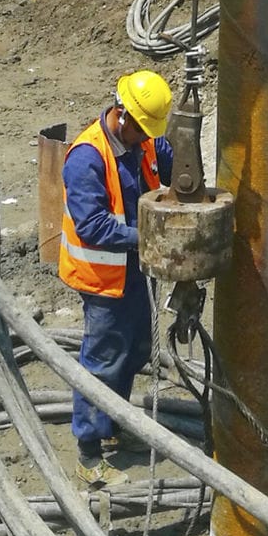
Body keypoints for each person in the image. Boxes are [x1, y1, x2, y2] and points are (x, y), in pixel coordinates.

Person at [59, 69, 174, 488]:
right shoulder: (87, 157)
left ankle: (111, 425)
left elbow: (167, 152)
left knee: (137, 348)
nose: (148, 138)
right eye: (143, 128)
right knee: (103, 361)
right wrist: (154, 236)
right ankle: (89, 455)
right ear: (121, 114)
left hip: (131, 270)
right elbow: (94, 227)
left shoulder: (140, 140)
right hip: (101, 278)